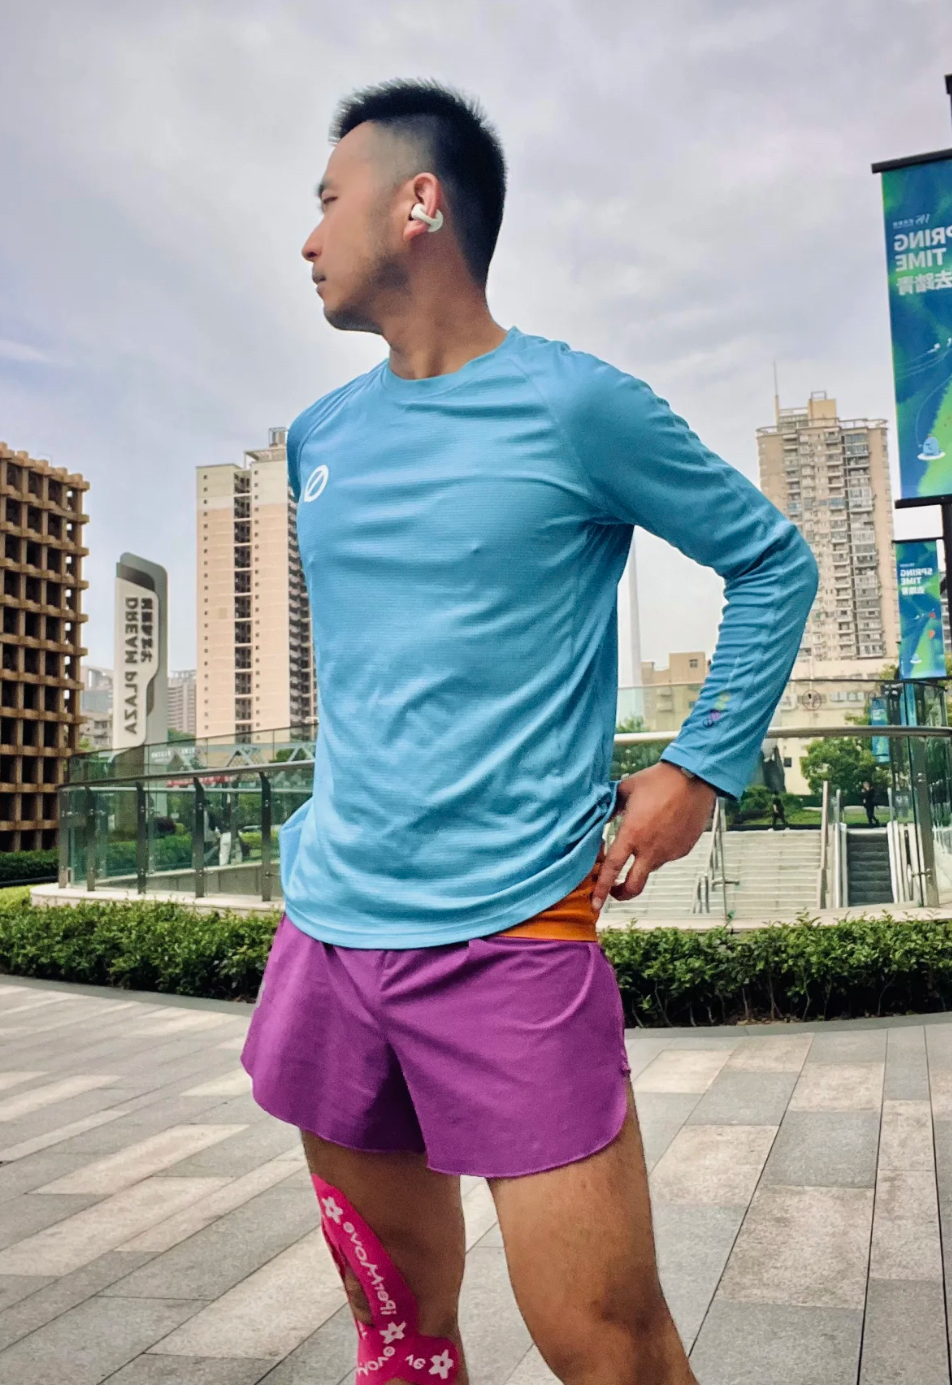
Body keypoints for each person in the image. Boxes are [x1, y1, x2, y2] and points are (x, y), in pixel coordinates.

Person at [241, 80, 818, 1385]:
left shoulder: (576, 407)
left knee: (609, 1350)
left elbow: (772, 563)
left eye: (328, 201)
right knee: (398, 1337)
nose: (309, 238)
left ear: (419, 205)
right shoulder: (321, 440)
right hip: (332, 936)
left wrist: (695, 769)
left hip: (512, 935)